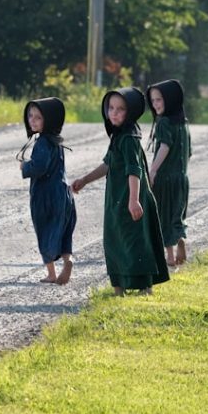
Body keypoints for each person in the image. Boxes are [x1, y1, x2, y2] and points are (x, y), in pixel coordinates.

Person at [71, 87, 169, 296]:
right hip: (116, 200)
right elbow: (108, 164)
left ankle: (145, 286)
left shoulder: (129, 139)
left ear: (131, 112)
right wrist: (85, 180)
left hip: (130, 198)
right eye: (111, 108)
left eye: (120, 109)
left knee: (135, 240)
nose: (114, 113)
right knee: (114, 240)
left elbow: (134, 170)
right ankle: (119, 287)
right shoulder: (118, 135)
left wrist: (134, 200)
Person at [20, 97, 77, 284]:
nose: (32, 121)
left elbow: (40, 167)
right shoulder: (57, 142)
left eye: (38, 118)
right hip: (64, 192)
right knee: (63, 230)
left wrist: (25, 167)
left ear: (49, 120)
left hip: (46, 196)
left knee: (45, 230)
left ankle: (51, 273)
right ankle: (68, 260)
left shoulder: (43, 142)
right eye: (30, 116)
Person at [146, 79, 192, 267]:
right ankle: (180, 240)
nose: (155, 104)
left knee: (162, 215)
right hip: (182, 177)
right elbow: (188, 152)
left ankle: (170, 257)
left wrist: (153, 170)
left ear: (171, 100)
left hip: (165, 177)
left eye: (159, 100)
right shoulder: (183, 124)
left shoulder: (163, 123)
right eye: (153, 100)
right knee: (177, 213)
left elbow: (164, 146)